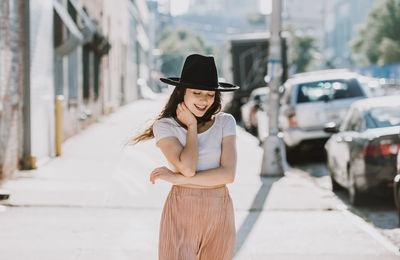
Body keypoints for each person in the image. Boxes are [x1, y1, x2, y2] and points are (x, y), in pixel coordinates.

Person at [133, 54, 240, 260]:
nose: (203, 100)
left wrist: (177, 179)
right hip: (181, 210)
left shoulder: (226, 122)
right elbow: (188, 167)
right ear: (181, 92)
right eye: (196, 92)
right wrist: (191, 126)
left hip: (219, 211)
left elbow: (228, 175)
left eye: (210, 94)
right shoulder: (165, 126)